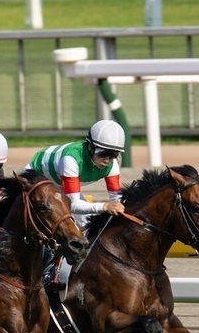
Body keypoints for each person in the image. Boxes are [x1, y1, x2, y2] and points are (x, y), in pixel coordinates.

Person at [26, 119, 126, 290]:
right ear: (90, 146)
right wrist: (104, 206)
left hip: (60, 183)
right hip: (38, 178)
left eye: (113, 154)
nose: (108, 159)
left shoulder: (112, 165)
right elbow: (72, 205)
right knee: (58, 223)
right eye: (103, 152)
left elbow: (117, 200)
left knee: (86, 225)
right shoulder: (71, 159)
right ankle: (46, 272)